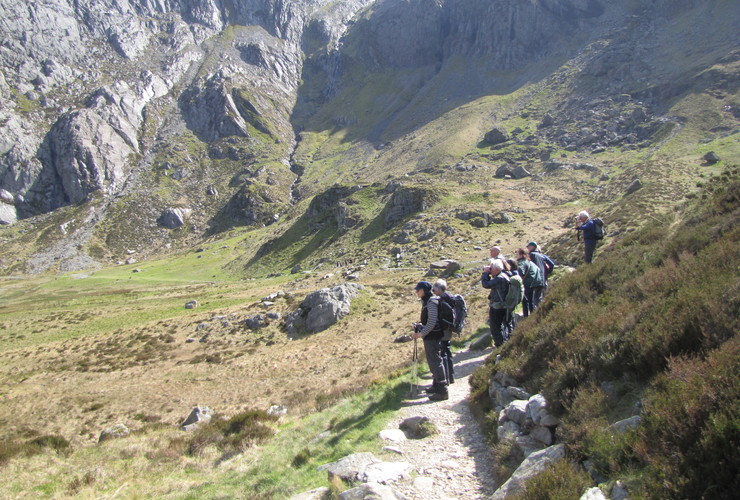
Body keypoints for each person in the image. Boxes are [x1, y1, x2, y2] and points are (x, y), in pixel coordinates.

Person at [412, 281, 448, 401]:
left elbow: (432, 322)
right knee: (433, 360)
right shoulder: (429, 301)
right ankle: (436, 385)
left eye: (418, 290)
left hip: (433, 336)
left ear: (424, 290)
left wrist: (421, 333)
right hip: (432, 335)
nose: (417, 292)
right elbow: (430, 321)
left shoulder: (431, 301)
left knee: (436, 361)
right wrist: (421, 325)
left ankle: (442, 391)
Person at [481, 259, 510, 348]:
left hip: (498, 307)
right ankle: (503, 344)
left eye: (491, 268)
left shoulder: (499, 278)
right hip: (503, 305)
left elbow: (485, 284)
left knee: (495, 328)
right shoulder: (503, 275)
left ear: (497, 269)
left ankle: (500, 347)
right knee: (501, 326)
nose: (490, 270)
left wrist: (485, 273)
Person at [432, 279, 455, 385]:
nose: (433, 291)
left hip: (443, 329)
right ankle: (451, 376)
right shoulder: (449, 297)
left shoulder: (441, 300)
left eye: (434, 289)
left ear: (440, 289)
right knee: (448, 350)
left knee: (443, 353)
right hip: (449, 328)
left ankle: (445, 378)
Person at [516, 248, 544, 317]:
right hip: (538, 283)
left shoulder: (522, 262)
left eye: (517, 253)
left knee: (525, 301)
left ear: (521, 255)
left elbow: (520, 271)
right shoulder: (530, 262)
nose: (516, 255)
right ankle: (534, 316)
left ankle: (526, 316)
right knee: (533, 301)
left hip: (528, 284)